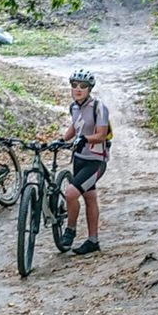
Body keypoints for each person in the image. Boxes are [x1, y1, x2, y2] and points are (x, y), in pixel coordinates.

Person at [57, 68, 111, 255]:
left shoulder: (99, 107)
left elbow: (102, 134)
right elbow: (75, 126)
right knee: (89, 197)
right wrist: (62, 140)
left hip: (95, 161)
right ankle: (93, 241)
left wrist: (85, 139)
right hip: (79, 159)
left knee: (70, 194)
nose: (78, 89)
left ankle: (70, 230)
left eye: (83, 86)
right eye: (75, 85)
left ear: (90, 88)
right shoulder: (74, 107)